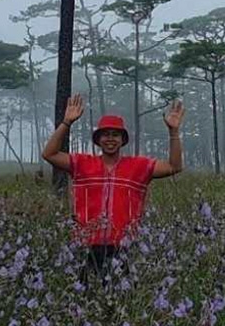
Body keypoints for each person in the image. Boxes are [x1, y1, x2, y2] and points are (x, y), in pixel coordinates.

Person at [41, 94, 185, 278]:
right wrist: (66, 123)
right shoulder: (82, 163)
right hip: (86, 246)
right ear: (98, 139)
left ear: (123, 139)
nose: (110, 139)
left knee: (122, 300)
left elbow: (174, 166)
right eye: (105, 134)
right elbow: (49, 154)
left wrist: (173, 131)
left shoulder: (139, 166)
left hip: (124, 246)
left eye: (115, 134)